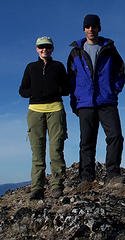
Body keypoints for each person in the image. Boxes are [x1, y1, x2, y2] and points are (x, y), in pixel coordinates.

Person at [67, 14, 125, 184]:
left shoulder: (109, 48)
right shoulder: (76, 52)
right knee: (87, 141)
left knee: (115, 136)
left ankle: (113, 174)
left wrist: (113, 90)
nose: (91, 29)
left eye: (94, 26)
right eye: (88, 26)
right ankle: (86, 178)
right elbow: (71, 79)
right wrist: (75, 101)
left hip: (106, 101)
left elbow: (120, 71)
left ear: (99, 28)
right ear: (84, 29)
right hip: (85, 103)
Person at [19, 36, 69, 200]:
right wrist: (35, 91)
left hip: (56, 109)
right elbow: (22, 91)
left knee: (56, 150)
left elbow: (67, 88)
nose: (44, 49)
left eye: (47, 47)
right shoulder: (31, 67)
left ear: (52, 49)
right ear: (36, 49)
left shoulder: (58, 66)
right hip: (35, 111)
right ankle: (37, 188)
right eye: (41, 47)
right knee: (37, 152)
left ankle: (57, 186)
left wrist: (55, 89)